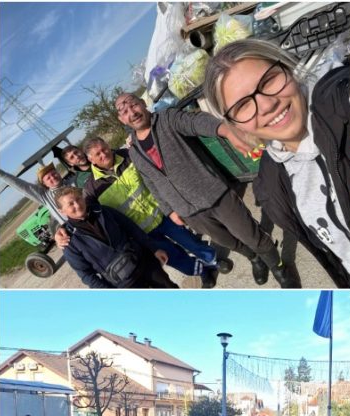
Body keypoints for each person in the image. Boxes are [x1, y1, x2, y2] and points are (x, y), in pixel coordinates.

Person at [202, 39, 350, 287]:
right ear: (235, 124)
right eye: (242, 106)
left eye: (268, 81)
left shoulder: (340, 105)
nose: (267, 105)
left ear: (287, 68)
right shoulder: (270, 184)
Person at [113, 92, 297, 287]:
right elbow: (152, 183)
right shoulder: (134, 151)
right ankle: (255, 259)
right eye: (124, 111)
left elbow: (195, 122)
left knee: (251, 234)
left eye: (133, 105)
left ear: (143, 103)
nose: (131, 112)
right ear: (121, 119)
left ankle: (279, 268)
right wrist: (170, 211)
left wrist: (225, 130)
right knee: (228, 241)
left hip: (214, 194)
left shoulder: (167, 119)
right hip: (189, 212)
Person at [66, 137, 229, 288]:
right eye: (97, 154)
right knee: (174, 257)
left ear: (108, 146)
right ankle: (201, 271)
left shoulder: (130, 155)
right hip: (143, 233)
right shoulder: (91, 188)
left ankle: (214, 261)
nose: (104, 154)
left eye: (104, 149)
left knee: (191, 241)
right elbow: (84, 214)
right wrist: (63, 231)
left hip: (164, 215)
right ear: (91, 159)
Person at [54, 187, 177, 289]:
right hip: (124, 285)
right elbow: (86, 274)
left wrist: (154, 249)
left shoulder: (104, 211)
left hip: (145, 265)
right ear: (62, 211)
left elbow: (133, 229)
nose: (77, 204)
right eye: (70, 204)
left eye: (78, 199)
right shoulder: (68, 241)